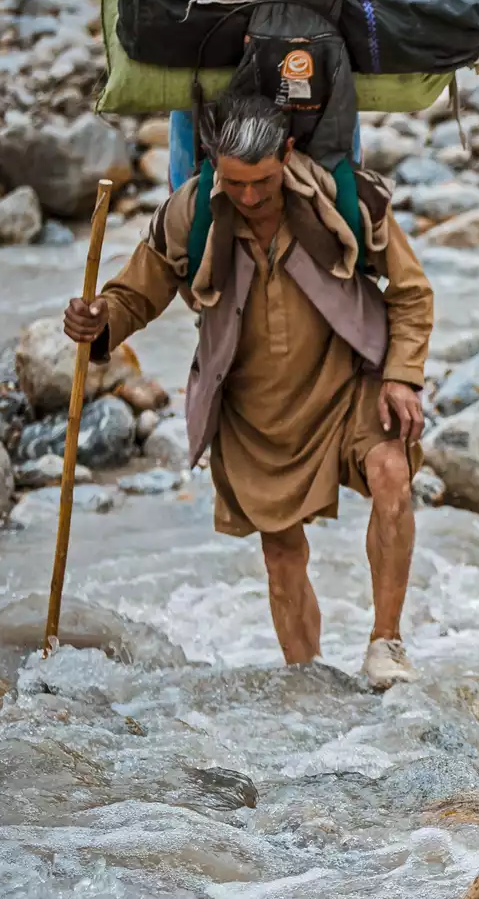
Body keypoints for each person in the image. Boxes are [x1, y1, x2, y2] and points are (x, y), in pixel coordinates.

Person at [62, 92, 433, 690]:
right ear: (214, 163)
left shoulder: (345, 200)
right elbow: (135, 295)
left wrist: (402, 375)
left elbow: (412, 291)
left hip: (349, 379)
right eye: (236, 184)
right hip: (250, 406)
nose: (251, 197)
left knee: (392, 471)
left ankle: (385, 645)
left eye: (262, 182)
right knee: (281, 554)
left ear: (286, 153)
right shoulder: (191, 213)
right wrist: (99, 320)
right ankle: (307, 684)